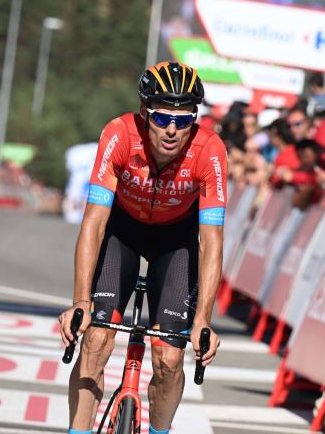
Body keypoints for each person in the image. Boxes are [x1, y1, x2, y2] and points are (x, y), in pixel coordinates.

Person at [58, 61, 224, 434]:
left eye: (183, 121)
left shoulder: (210, 149)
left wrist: (203, 321)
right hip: (123, 232)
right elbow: (94, 222)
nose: (171, 130)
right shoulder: (118, 134)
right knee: (97, 339)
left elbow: (211, 242)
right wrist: (81, 301)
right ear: (144, 112)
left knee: (168, 357)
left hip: (176, 241)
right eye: (162, 118)